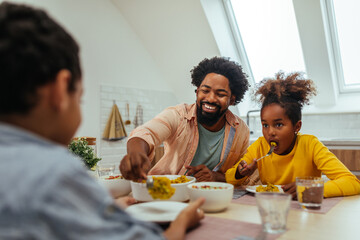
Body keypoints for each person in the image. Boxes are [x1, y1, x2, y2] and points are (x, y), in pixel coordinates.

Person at [0, 2, 204, 239]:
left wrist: (105, 211)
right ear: (60, 88)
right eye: (81, 97)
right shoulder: (56, 172)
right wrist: (182, 221)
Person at [225, 71, 360, 198]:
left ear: (297, 126)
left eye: (278, 125)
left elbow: (352, 182)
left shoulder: (310, 145)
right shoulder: (260, 146)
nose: (270, 132)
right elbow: (229, 178)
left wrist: (308, 188)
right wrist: (239, 173)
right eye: (265, 125)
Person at [120, 57, 250, 182]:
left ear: (232, 99)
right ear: (197, 91)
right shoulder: (178, 115)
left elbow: (242, 173)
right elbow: (146, 132)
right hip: (166, 191)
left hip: (210, 196)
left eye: (220, 94)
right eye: (205, 91)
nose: (210, 98)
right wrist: (136, 154)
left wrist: (215, 176)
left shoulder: (241, 130)